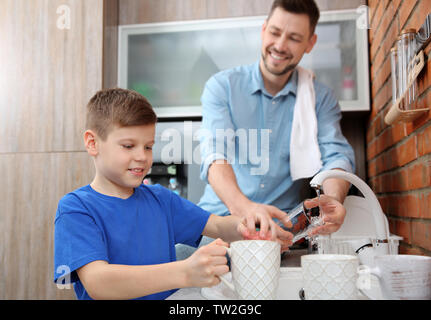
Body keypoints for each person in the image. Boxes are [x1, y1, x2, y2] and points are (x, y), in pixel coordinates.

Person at [53, 88, 292, 300]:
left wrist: (248, 224)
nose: (142, 156)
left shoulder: (160, 199)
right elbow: (99, 283)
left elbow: (218, 226)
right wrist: (185, 272)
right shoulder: (76, 208)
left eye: (148, 146)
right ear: (92, 143)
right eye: (128, 146)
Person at [196, 0, 355, 244]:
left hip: (279, 232)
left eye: (293, 37)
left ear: (310, 43)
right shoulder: (222, 87)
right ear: (263, 30)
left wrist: (332, 199)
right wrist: (246, 209)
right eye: (275, 32)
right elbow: (215, 155)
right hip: (219, 222)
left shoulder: (320, 98)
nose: (280, 46)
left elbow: (336, 156)